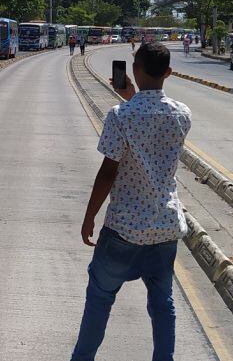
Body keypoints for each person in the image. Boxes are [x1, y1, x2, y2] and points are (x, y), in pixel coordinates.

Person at [72, 42, 191, 361]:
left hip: (123, 228)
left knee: (99, 298)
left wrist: (89, 217)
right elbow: (152, 127)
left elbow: (108, 171)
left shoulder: (120, 116)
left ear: (135, 70)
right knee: (162, 303)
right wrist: (133, 97)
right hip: (165, 227)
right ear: (168, 72)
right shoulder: (182, 115)